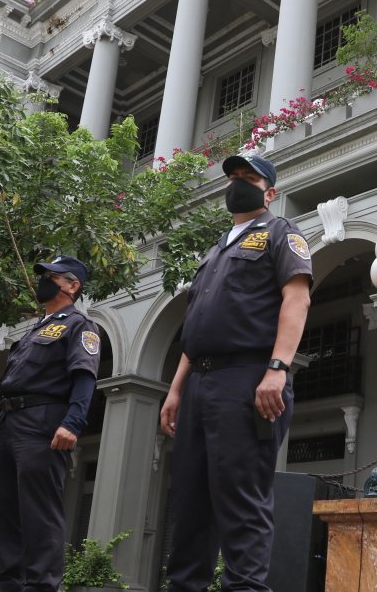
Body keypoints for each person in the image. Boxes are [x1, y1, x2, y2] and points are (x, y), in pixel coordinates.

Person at [160, 154, 313, 591]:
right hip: (199, 385)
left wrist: (277, 369)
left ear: (271, 191)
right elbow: (194, 332)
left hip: (247, 380)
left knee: (241, 501)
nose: (238, 183)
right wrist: (175, 391)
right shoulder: (215, 252)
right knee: (189, 504)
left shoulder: (281, 233)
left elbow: (296, 301)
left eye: (249, 177)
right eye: (233, 177)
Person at [0, 256, 100, 592]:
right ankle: (9, 582)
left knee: (39, 509)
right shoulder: (36, 328)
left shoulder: (79, 325)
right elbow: (16, 382)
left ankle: (41, 585)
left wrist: (73, 423)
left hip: (43, 421)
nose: (43, 281)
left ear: (72, 285)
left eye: (52, 276)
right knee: (1, 504)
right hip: (9, 422)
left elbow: (84, 377)